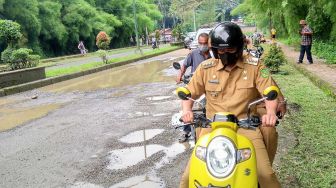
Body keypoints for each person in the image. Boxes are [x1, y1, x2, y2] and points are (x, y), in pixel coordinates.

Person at [179, 22, 281, 188]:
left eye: (230, 50)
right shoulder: (205, 69)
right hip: (211, 127)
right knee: (187, 178)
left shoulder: (255, 66)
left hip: (246, 127)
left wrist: (270, 113)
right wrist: (186, 111)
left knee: (265, 174)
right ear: (215, 50)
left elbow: (269, 91)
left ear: (239, 47)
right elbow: (188, 94)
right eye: (221, 50)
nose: (225, 54)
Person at [176, 33, 211, 143]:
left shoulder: (215, 54)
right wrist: (179, 76)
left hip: (211, 85)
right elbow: (184, 65)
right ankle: (186, 130)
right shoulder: (193, 54)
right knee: (186, 102)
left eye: (205, 43)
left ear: (209, 43)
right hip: (196, 84)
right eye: (200, 43)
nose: (202, 45)